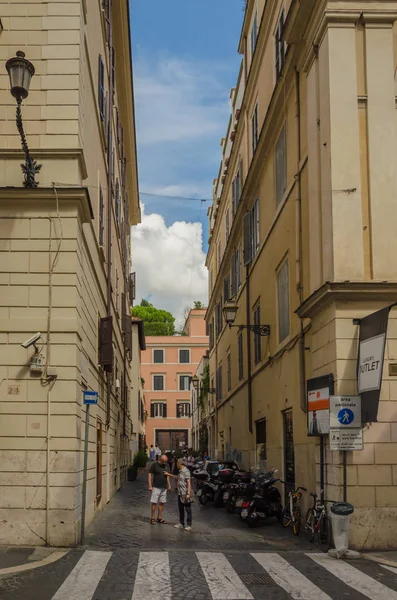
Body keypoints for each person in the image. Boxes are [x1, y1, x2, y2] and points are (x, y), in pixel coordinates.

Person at [167, 458, 192, 531]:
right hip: (180, 492)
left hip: (185, 492)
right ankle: (181, 523)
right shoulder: (180, 471)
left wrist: (188, 493)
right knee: (181, 509)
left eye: (177, 463)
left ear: (180, 464)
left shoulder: (186, 471)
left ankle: (189, 524)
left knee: (188, 509)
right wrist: (169, 474)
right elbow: (177, 477)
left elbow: (188, 482)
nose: (176, 464)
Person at [148, 454, 171, 525]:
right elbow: (149, 475)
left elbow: (167, 476)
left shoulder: (167, 465)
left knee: (162, 503)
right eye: (163, 461)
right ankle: (152, 518)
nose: (164, 463)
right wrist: (150, 485)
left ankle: (159, 518)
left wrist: (169, 485)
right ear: (160, 460)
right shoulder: (154, 465)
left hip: (164, 487)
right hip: (156, 487)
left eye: (165, 461)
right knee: (154, 503)